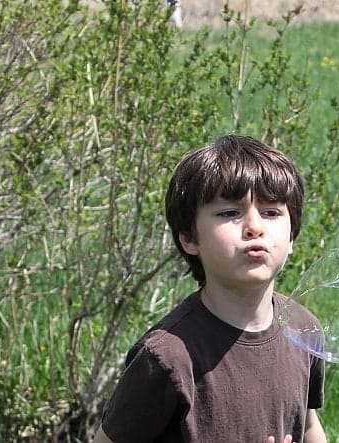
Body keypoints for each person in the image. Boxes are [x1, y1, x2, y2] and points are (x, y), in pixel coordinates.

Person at [94, 135, 327, 443]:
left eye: (271, 212)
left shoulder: (303, 331)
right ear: (190, 238)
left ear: (292, 235)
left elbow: (308, 424)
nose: (254, 226)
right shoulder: (168, 358)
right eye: (229, 213)